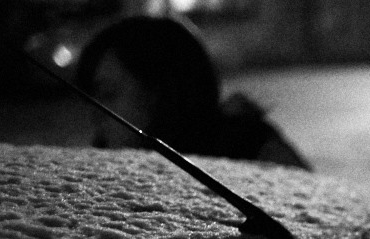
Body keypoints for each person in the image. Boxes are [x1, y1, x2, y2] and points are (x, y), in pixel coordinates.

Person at [76, 15, 310, 169]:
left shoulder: (251, 152)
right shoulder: (104, 169)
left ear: (162, 91)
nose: (96, 112)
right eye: (91, 97)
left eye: (108, 94)